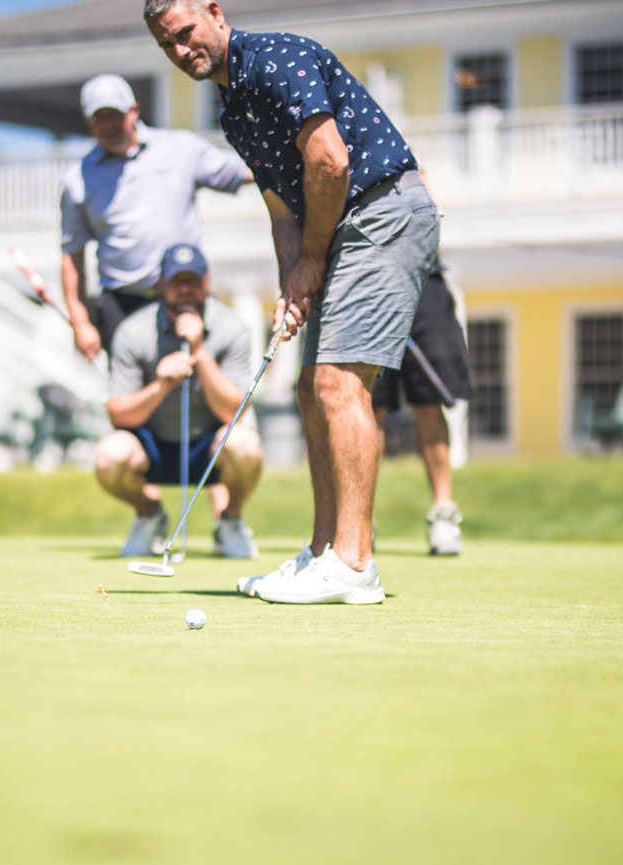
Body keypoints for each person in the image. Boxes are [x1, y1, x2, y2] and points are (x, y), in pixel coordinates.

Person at [144, 0, 441, 604]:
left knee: (339, 383)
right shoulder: (233, 109)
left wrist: (311, 260)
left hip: (381, 212)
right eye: (166, 46)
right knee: (310, 389)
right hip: (337, 230)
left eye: (184, 34)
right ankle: (323, 554)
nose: (180, 52)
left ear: (214, 12)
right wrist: (292, 284)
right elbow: (281, 206)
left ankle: (355, 565)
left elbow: (330, 161)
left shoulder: (279, 59)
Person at [59, 73, 252, 361]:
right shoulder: (77, 180)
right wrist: (81, 322)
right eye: (100, 117)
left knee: (195, 386)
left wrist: (289, 167)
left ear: (134, 110)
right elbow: (71, 256)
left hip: (184, 295)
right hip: (121, 304)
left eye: (116, 114)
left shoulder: (180, 148)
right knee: (132, 399)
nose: (109, 124)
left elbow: (244, 173)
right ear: (89, 121)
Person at [94, 243, 263, 560]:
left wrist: (199, 351)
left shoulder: (233, 328)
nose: (185, 290)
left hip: (209, 447)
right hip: (154, 445)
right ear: (161, 284)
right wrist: (161, 386)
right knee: (109, 455)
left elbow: (234, 411)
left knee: (245, 445)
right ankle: (150, 514)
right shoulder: (133, 332)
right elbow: (119, 415)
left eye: (193, 281)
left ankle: (229, 520)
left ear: (207, 281)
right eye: (176, 282)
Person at [372, 264, 472, 556]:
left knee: (429, 402)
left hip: (423, 277)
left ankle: (443, 513)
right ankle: (359, 519)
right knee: (368, 405)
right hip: (366, 279)